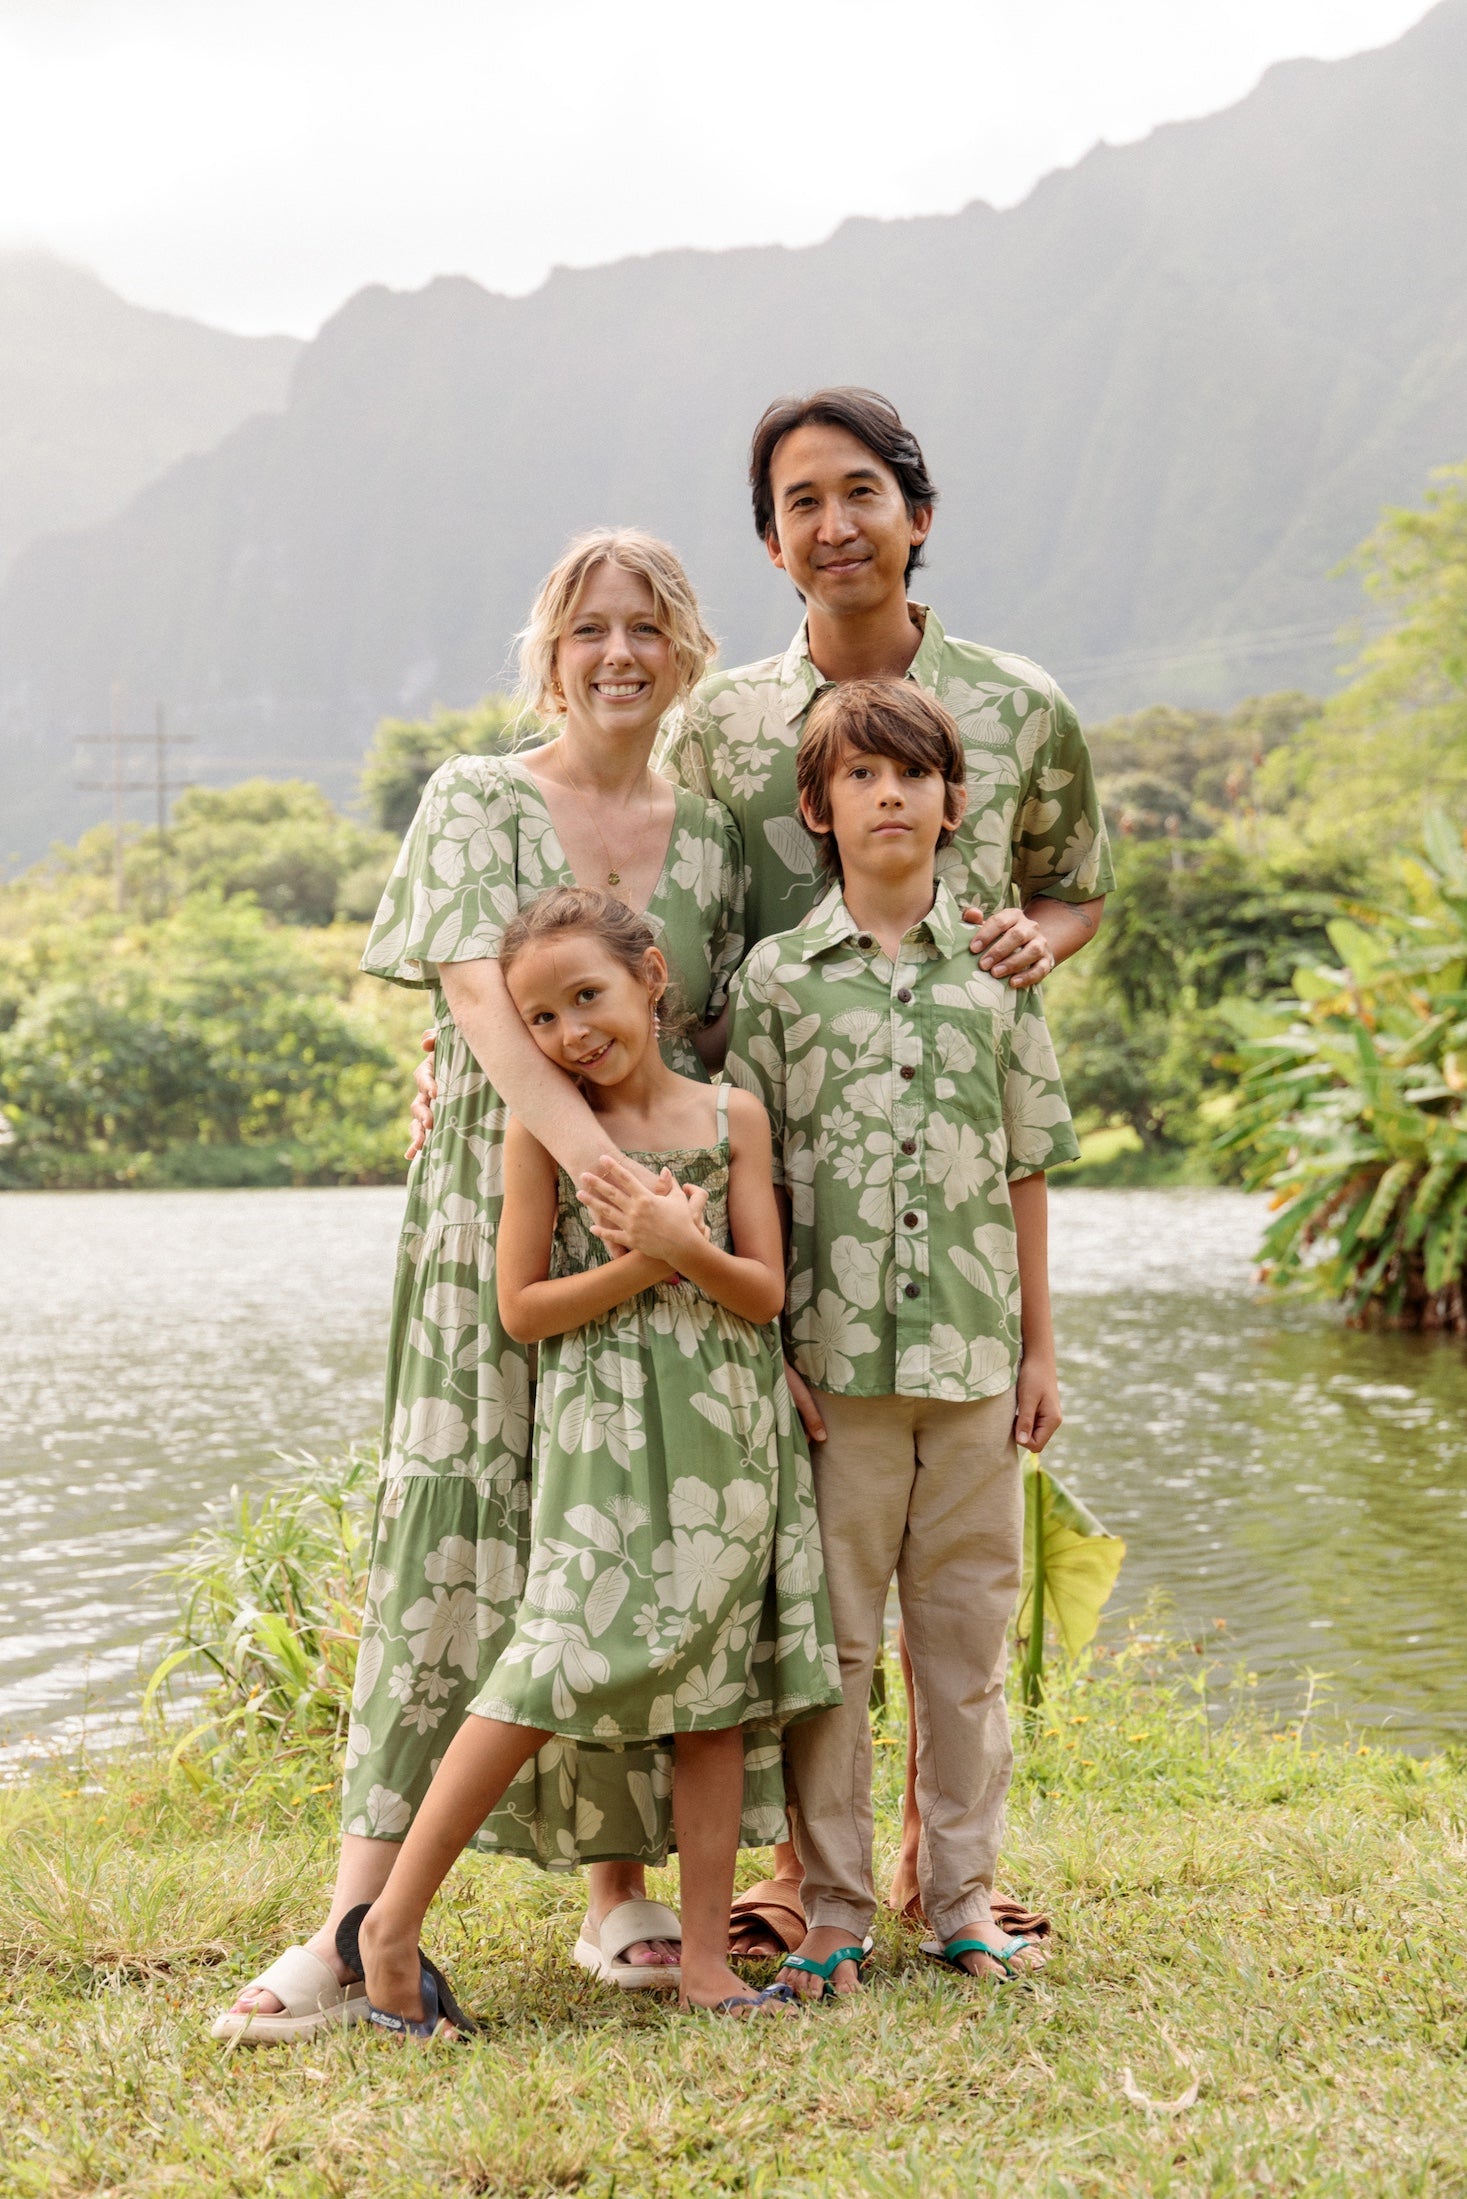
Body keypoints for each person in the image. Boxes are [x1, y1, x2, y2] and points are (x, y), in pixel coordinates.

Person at [411, 387, 1112, 1944]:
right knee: (818, 1593)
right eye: (798, 502)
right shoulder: (725, 717)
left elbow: (1074, 891)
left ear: (914, 512)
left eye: (859, 492)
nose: (833, 524)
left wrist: (1024, 940)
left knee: (952, 1610)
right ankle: (812, 1891)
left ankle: (957, 1887)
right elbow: (670, 939)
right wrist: (510, 1058)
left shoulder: (1016, 705)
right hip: (769, 1212)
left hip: (943, 1186)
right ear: (774, 539)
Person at [212, 530, 757, 2043]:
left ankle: (616, 1890)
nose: (618, 653)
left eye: (646, 626)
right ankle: (347, 1921)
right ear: (549, 649)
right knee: (454, 1528)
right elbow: (475, 1007)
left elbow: (715, 1034)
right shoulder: (472, 799)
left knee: (624, 1533)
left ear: (687, 647)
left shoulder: (711, 835)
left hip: (654, 1238)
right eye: (588, 628)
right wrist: (601, 1175)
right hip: (499, 1213)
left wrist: (675, 1209)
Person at [343, 884, 837, 2031]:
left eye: (589, 997)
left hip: (728, 1426)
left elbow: (763, 1293)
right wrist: (650, 1258)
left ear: (651, 980)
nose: (573, 1033)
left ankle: (710, 1964)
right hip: (602, 1427)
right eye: (545, 1018)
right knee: (551, 1661)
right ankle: (389, 1922)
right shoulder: (546, 1128)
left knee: (714, 1689)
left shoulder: (733, 1119)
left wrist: (686, 1247)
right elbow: (521, 1307)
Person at [710, 677, 1077, 1996]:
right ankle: (832, 1908)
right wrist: (772, 1350)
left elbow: (1026, 1161)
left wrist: (1040, 1348)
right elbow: (743, 1176)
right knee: (835, 1652)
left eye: (910, 774)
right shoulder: (775, 982)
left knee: (963, 1647)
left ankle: (963, 1898)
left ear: (949, 800)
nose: (887, 796)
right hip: (835, 1373)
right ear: (818, 806)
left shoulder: (994, 972)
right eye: (858, 776)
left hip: (975, 1365)